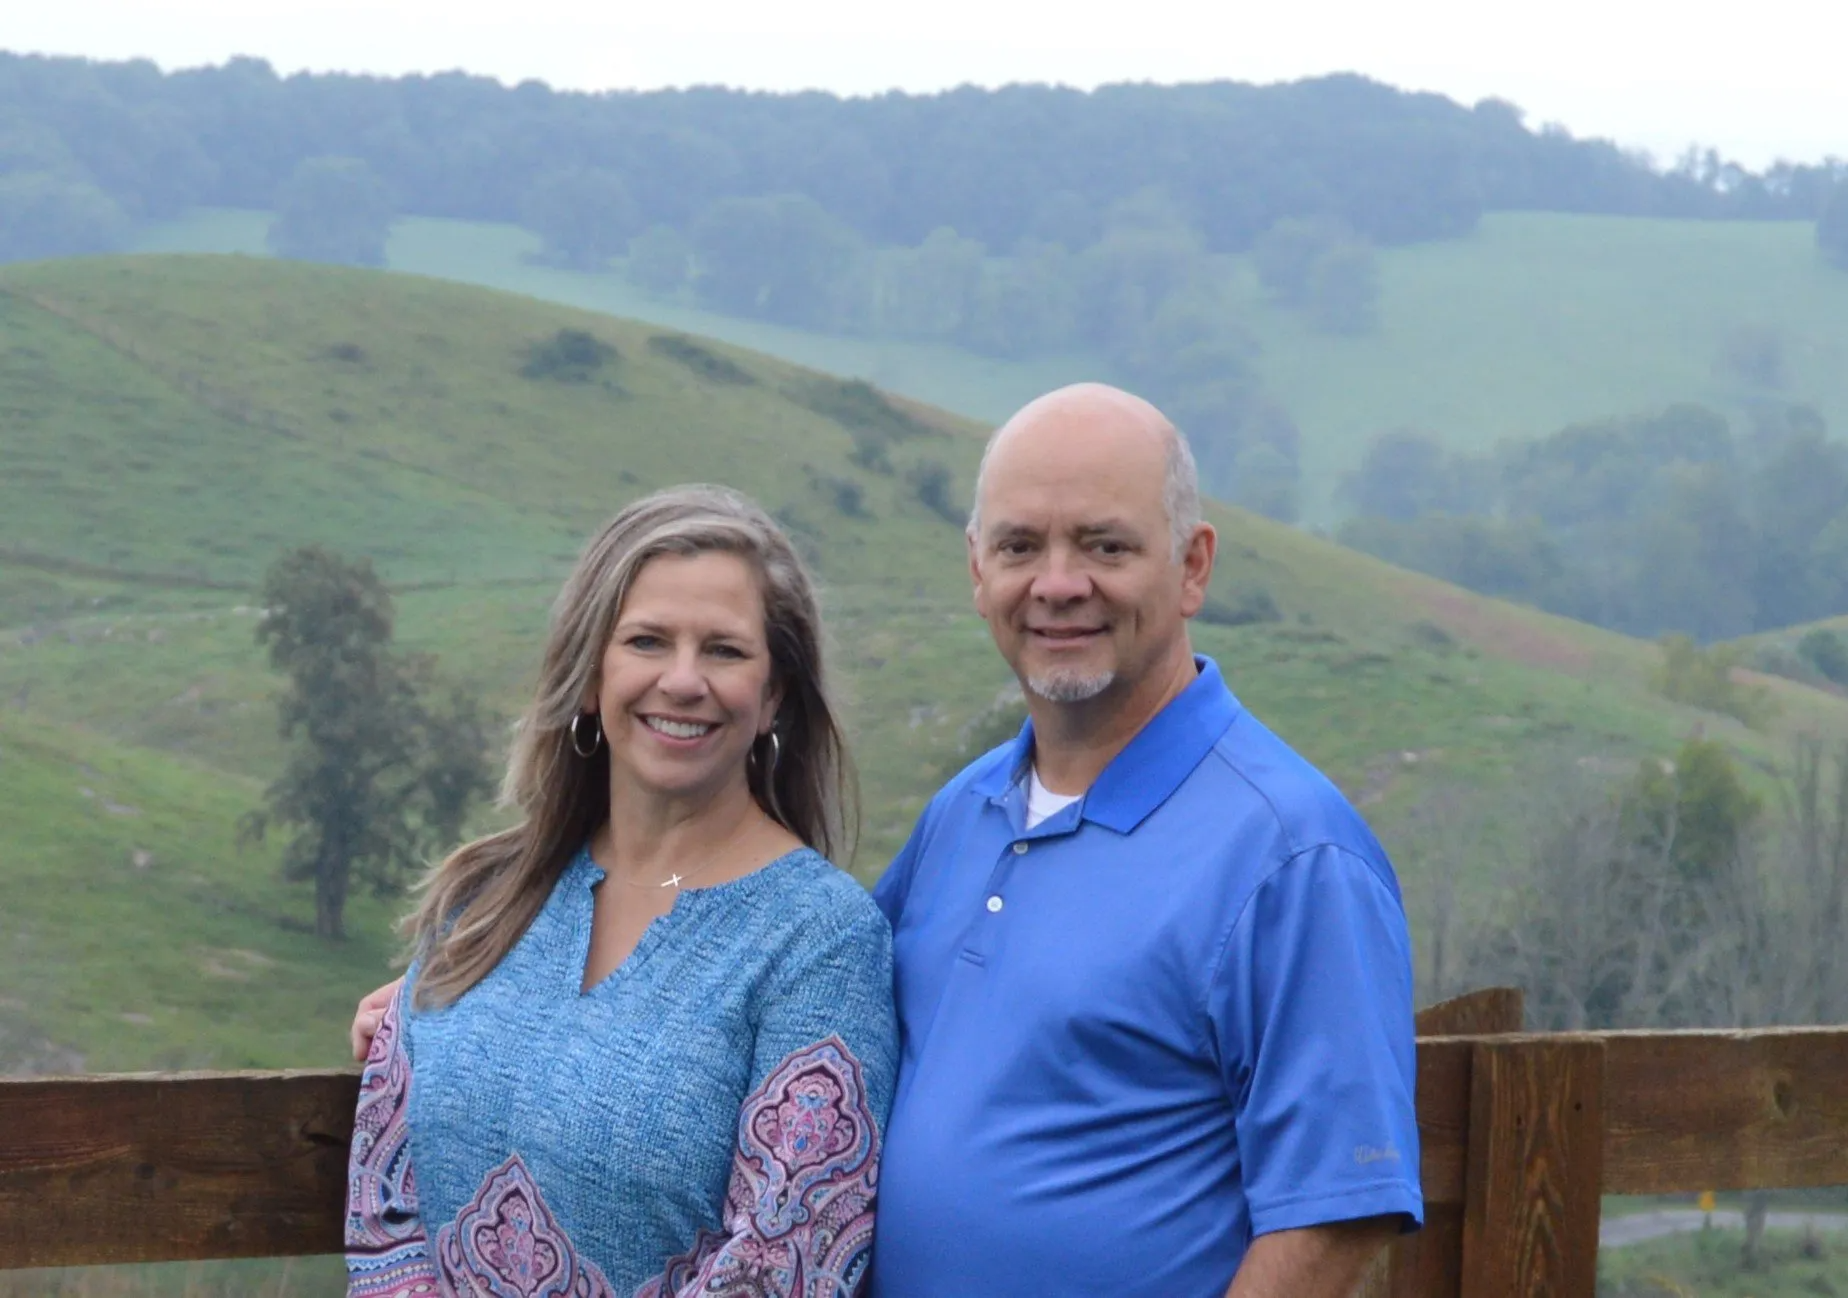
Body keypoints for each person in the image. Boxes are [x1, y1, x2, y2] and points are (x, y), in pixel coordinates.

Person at [352, 384, 1422, 1297]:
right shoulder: (971, 813)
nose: (1058, 583)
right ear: (976, 569)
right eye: (1020, 546)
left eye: (1104, 544)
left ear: (1191, 566)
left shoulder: (1290, 851)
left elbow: (1337, 1213)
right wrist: (448, 1010)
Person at [343, 485, 897, 1298]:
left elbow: (783, 1266)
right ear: (591, 670)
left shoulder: (820, 940)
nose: (681, 680)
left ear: (775, 692)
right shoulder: (488, 898)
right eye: (646, 641)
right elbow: (382, 1209)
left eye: (724, 650)